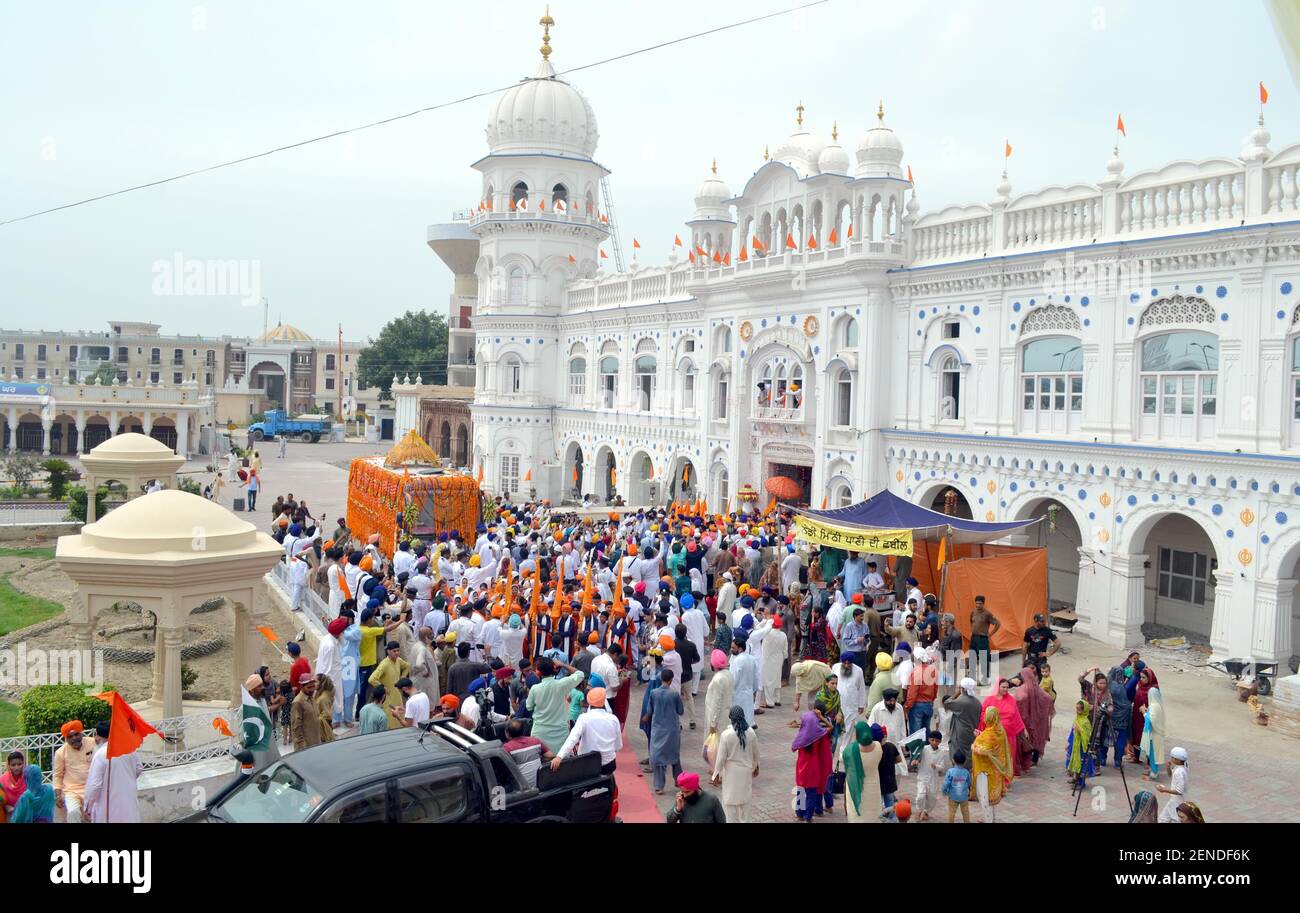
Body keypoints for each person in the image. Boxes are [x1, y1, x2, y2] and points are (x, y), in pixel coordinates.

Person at [84, 720, 143, 823]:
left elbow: (95, 786)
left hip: (108, 807)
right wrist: (125, 779)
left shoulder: (100, 754)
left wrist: (88, 807)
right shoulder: (130, 748)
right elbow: (139, 768)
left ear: (97, 736)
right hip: (128, 802)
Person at [553, 687, 622, 775]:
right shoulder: (613, 719)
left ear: (589, 702)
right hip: (609, 764)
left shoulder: (584, 718)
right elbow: (618, 745)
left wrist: (559, 756)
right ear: (604, 701)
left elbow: (573, 738)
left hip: (587, 764)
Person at [526, 656, 586, 754]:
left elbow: (529, 706)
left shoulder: (534, 689)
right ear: (554, 669)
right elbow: (580, 674)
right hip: (560, 732)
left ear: (538, 672)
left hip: (540, 732)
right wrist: (562, 664)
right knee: (561, 762)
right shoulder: (562, 684)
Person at [711, 705, 759, 822]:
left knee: (729, 804)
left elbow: (721, 758)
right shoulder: (751, 732)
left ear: (730, 718)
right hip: (746, 772)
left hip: (731, 774)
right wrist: (756, 766)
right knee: (745, 803)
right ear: (743, 717)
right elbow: (756, 753)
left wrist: (715, 774)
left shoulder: (726, 735)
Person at [971, 706, 1013, 822]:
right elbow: (991, 747)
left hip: (985, 770)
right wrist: (980, 736)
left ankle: (988, 820)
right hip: (996, 770)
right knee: (992, 798)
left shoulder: (990, 734)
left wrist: (974, 745)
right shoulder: (999, 730)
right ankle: (991, 819)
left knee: (984, 797)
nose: (984, 717)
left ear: (990, 717)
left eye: (986, 715)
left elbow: (983, 750)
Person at [645, 668, 684, 793]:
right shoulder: (674, 694)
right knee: (674, 756)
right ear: (671, 680)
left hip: (658, 729)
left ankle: (659, 786)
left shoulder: (653, 693)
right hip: (672, 729)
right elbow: (680, 711)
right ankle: (679, 780)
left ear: (661, 679)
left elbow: (649, 711)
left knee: (658, 758)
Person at [979, 678, 1028, 774]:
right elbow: (983, 714)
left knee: (1008, 756)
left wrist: (1023, 729)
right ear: (998, 687)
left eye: (1007, 687)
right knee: (995, 756)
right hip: (993, 735)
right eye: (1003, 687)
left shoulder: (1011, 700)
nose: (1005, 689)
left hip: (1008, 735)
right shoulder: (989, 700)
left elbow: (1016, 715)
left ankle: (1006, 778)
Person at [791, 708, 833, 822]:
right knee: (811, 794)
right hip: (813, 769)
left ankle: (799, 814)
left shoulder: (800, 736)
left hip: (801, 769)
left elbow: (793, 746)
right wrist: (821, 717)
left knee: (800, 791)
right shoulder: (819, 736)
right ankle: (808, 817)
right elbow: (830, 727)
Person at [52, 720, 95, 823]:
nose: (74, 738)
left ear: (81, 733)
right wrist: (58, 795)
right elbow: (57, 775)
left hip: (93, 788)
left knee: (96, 814)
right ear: (66, 739)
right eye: (70, 737)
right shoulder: (60, 752)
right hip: (72, 791)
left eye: (76, 734)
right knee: (73, 812)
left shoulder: (92, 742)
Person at [1013, 664, 1055, 767]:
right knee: (1037, 736)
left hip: (1026, 719)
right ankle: (1034, 759)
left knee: (1027, 738)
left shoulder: (1023, 688)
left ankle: (1026, 759)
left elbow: (1019, 699)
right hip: (1038, 718)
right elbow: (1048, 698)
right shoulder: (1037, 687)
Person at [841, 720, 882, 824]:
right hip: (874, 787)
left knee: (857, 812)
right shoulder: (878, 746)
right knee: (873, 812)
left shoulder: (851, 750)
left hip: (856, 789)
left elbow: (842, 759)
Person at [368, 641, 411, 729]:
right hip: (388, 698)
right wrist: (383, 688)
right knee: (390, 721)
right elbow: (372, 679)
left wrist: (402, 678)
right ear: (388, 651)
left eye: (398, 650)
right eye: (394, 651)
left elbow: (407, 666)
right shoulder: (384, 664)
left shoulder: (398, 660)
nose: (397, 653)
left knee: (400, 718)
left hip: (398, 696)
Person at [943, 677, 982, 770]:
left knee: (957, 751)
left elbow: (946, 703)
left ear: (963, 689)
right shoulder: (977, 702)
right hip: (972, 731)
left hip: (960, 732)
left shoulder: (961, 702)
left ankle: (960, 773)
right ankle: (969, 772)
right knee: (969, 752)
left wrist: (957, 693)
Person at [915, 729, 950, 821]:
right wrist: (915, 761)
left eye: (937, 741)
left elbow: (942, 767)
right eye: (932, 740)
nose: (934, 742)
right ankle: (919, 810)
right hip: (922, 777)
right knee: (920, 796)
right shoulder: (924, 749)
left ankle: (926, 811)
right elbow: (917, 757)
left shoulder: (941, 752)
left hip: (933, 779)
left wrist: (936, 766)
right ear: (929, 739)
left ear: (940, 741)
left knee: (933, 798)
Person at [968, 596, 1001, 684]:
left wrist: (990, 634)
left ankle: (985, 678)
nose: (978, 605)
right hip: (974, 638)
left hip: (982, 639)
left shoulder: (987, 614)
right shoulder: (973, 612)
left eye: (980, 603)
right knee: (972, 656)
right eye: (977, 603)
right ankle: (972, 677)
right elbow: (971, 621)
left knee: (983, 658)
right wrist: (972, 631)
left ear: (983, 603)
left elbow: (998, 624)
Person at [704, 648, 735, 739]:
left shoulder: (718, 679)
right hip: (726, 714)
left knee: (715, 745)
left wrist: (713, 723)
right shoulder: (729, 674)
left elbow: (717, 703)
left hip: (717, 718)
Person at [1139, 686, 1168, 780]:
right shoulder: (1157, 705)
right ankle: (1153, 770)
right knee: (1153, 753)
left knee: (1153, 754)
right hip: (1156, 733)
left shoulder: (1154, 706)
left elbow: (1150, 720)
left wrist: (1144, 712)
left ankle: (1154, 774)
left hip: (1154, 734)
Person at [760, 613, 788, 708]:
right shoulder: (783, 635)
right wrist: (783, 658)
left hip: (768, 659)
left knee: (768, 681)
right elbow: (785, 650)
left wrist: (765, 620)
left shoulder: (767, 634)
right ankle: (777, 699)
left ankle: (769, 702)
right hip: (779, 658)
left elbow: (758, 628)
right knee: (777, 679)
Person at [1065, 700, 1096, 785]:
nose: (1077, 711)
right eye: (1076, 709)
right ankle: (1075, 778)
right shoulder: (1077, 718)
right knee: (1075, 763)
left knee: (1081, 765)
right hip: (1074, 745)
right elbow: (1072, 731)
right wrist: (1068, 742)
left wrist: (1080, 730)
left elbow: (1088, 736)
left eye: (1079, 710)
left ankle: (1081, 782)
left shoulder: (1086, 722)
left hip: (1082, 748)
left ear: (1084, 710)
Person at [1156, 747, 1189, 823]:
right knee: (1162, 819)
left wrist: (1164, 790)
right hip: (1173, 800)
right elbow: (1171, 776)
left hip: (1177, 802)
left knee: (1175, 820)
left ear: (1178, 760)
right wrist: (1168, 768)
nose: (1171, 759)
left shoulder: (1180, 772)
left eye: (1172, 757)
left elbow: (1179, 791)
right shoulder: (1179, 768)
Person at [291, 674, 322, 750]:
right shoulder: (298, 702)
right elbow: (296, 727)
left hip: (315, 742)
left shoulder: (311, 698)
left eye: (313, 686)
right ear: (302, 687)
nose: (312, 689)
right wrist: (302, 746)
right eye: (309, 687)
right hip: (305, 746)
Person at [942, 750, 972, 822]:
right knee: (965, 813)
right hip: (964, 797)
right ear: (964, 762)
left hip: (953, 797)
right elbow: (969, 783)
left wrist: (944, 791)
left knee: (951, 813)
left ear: (953, 760)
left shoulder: (950, 771)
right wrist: (969, 791)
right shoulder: (966, 772)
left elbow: (946, 783)